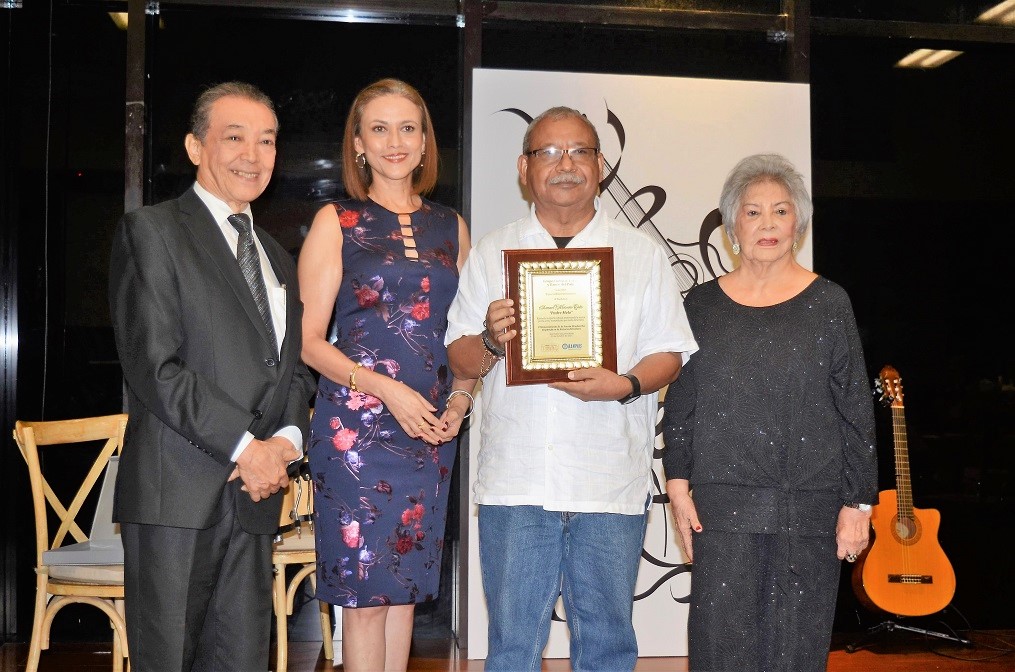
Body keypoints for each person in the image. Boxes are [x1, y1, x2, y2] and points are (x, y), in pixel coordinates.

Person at [445, 106, 699, 672]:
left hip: (608, 478)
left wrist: (624, 384)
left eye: (579, 151)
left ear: (601, 165)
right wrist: (490, 338)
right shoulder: (494, 252)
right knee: (511, 646)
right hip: (517, 481)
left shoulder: (641, 255)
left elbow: (670, 355)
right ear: (523, 168)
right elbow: (457, 354)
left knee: (607, 642)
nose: (565, 165)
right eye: (549, 152)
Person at [108, 81, 316, 671]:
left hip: (253, 496)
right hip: (177, 492)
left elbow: (294, 371)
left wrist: (284, 444)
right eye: (234, 138)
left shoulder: (277, 256)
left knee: (242, 660)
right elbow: (155, 366)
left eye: (267, 141)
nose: (253, 155)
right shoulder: (152, 232)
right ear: (196, 147)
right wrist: (247, 447)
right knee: (169, 658)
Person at [661, 153, 878, 672]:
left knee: (795, 652)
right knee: (720, 650)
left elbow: (855, 409)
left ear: (797, 223)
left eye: (780, 212)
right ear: (732, 226)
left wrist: (859, 505)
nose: (767, 224)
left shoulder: (829, 303)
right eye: (753, 212)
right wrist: (677, 484)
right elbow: (681, 405)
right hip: (722, 509)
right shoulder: (701, 307)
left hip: (808, 509)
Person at [298, 78, 475, 672]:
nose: (394, 141)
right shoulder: (336, 220)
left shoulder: (452, 227)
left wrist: (462, 399)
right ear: (358, 144)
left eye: (408, 128)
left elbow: (466, 338)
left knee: (405, 595)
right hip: (357, 433)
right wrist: (382, 387)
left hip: (430, 432)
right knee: (365, 599)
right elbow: (310, 344)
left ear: (426, 143)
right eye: (379, 128)